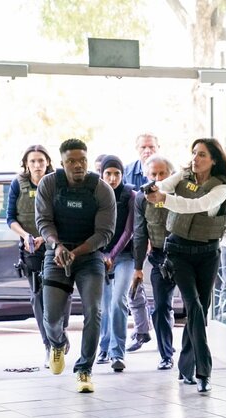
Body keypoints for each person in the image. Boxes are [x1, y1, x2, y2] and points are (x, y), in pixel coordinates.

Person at [143, 138, 226, 393]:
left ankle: (185, 366)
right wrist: (155, 188)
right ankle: (203, 370)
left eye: (202, 154)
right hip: (178, 251)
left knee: (199, 310)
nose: (195, 158)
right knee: (193, 305)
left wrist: (163, 199)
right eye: (194, 153)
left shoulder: (222, 188)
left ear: (214, 160)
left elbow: (197, 206)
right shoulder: (183, 176)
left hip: (208, 254)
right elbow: (163, 184)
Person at [36, 138, 116, 393]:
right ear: (62, 163)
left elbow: (104, 232)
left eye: (82, 160)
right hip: (56, 252)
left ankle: (84, 370)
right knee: (51, 317)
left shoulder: (102, 189)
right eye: (72, 161)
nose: (78, 165)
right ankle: (58, 344)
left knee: (94, 311)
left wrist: (77, 251)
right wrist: (57, 246)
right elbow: (43, 220)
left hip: (89, 254)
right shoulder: (49, 184)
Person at [7, 144, 68, 368]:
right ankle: (49, 345)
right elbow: (10, 217)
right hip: (30, 247)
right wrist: (25, 236)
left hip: (53, 244)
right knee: (38, 297)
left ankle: (60, 335)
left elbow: (63, 215)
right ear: (26, 164)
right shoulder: (18, 183)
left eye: (41, 161)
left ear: (48, 162)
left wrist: (47, 237)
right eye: (32, 161)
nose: (37, 165)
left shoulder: (56, 182)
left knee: (61, 293)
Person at [132, 154, 177, 370]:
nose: (158, 178)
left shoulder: (180, 193)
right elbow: (140, 234)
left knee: (194, 307)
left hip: (185, 255)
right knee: (160, 307)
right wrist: (138, 267)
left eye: (162, 173)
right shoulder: (141, 198)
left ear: (171, 175)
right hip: (159, 257)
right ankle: (166, 355)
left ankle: (193, 355)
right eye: (153, 174)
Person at [95, 155, 136, 372]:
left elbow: (129, 230)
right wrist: (101, 254)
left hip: (124, 256)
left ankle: (117, 353)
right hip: (99, 255)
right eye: (108, 174)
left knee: (118, 300)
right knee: (102, 304)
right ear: (101, 175)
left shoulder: (130, 195)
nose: (112, 178)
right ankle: (104, 347)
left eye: (116, 174)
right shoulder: (95, 194)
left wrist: (112, 254)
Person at [123, 134, 159, 351]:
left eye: (151, 146)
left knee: (160, 289)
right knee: (134, 288)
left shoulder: (164, 169)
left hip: (158, 241)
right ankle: (141, 330)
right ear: (137, 149)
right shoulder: (126, 172)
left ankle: (164, 337)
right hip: (133, 240)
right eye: (143, 147)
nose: (147, 150)